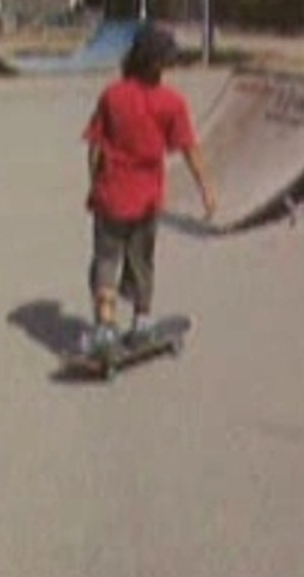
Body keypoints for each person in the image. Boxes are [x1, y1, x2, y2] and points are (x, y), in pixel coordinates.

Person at [81, 23, 216, 352]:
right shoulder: (171, 103)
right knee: (142, 262)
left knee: (105, 261)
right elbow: (189, 148)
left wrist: (95, 184)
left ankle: (105, 327)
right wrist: (206, 189)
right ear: (157, 63)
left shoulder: (112, 95)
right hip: (145, 201)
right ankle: (142, 322)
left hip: (110, 196)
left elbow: (94, 148)